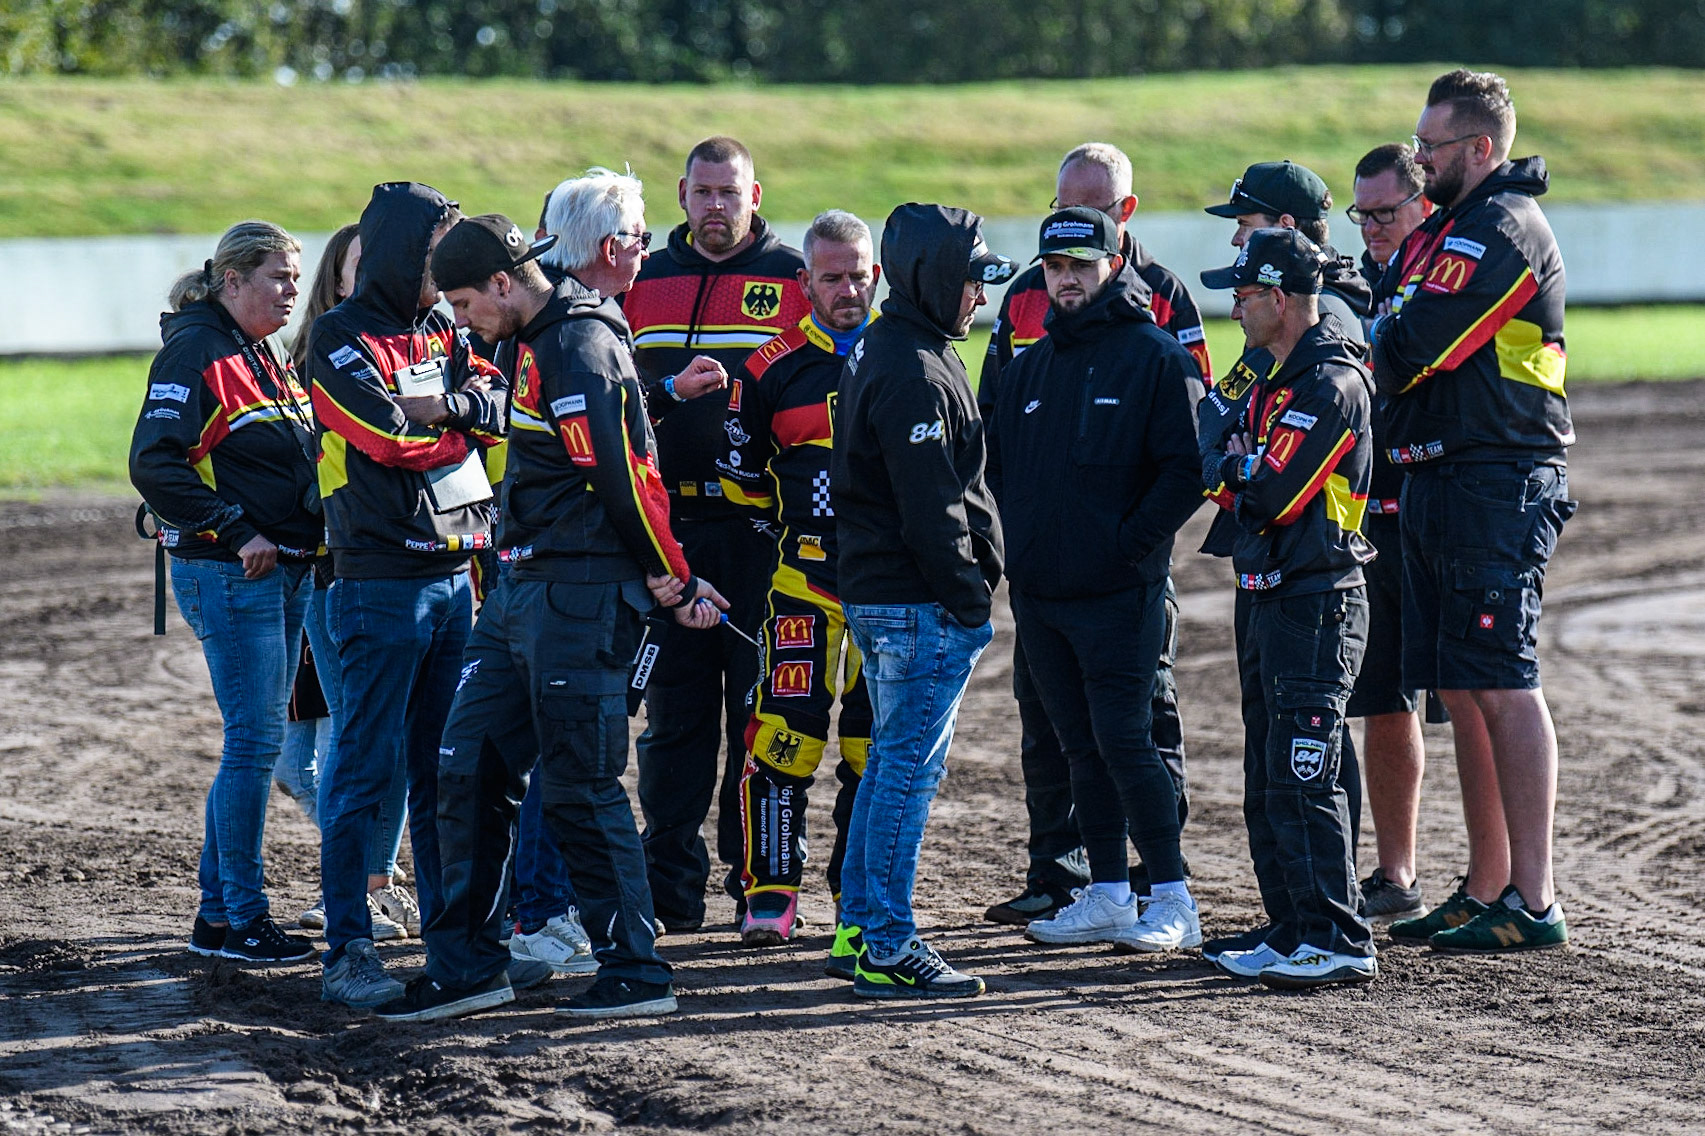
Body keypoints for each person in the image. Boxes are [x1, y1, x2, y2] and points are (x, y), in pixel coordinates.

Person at [375, 189, 727, 1023]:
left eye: (463, 305)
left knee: (578, 785)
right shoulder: (541, 339)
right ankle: (468, 967)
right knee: (465, 766)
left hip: (578, 597)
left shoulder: (573, 345)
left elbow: (626, 476)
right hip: (521, 592)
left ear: (503, 283)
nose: (460, 324)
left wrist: (668, 576)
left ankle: (635, 973)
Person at [979, 142, 1209, 927]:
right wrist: (1023, 554)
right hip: (1043, 594)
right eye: (1054, 267)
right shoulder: (1029, 365)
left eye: (1081, 263)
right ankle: (1105, 893)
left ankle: (1169, 895)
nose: (1066, 279)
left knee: (1129, 742)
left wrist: (1127, 546)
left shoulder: (1153, 352)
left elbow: (1189, 468)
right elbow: (996, 463)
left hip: (1120, 591)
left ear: (1114, 260)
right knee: (1076, 746)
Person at [1372, 70, 1575, 954]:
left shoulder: (1500, 225)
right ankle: (1485, 885)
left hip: (1494, 479)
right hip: (1438, 478)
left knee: (1501, 678)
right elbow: (1392, 325)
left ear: (1479, 150)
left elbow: (1413, 343)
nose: (1418, 159)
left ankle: (1533, 900)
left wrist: (1367, 340)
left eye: (1431, 147)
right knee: (1458, 683)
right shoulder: (1449, 228)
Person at [306, 182, 509, 1008]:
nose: (447, 270)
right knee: (365, 768)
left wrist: (450, 409)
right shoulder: (335, 335)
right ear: (398, 252)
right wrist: (455, 417)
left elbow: (503, 404)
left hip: (452, 579)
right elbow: (387, 437)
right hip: (377, 584)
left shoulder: (441, 327)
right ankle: (347, 950)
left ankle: (448, 948)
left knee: (444, 771)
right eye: (434, 255)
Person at [622, 136, 810, 932]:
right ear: (681, 193)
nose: (716, 206)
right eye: (703, 191)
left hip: (760, 536)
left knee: (758, 715)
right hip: (666, 530)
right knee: (672, 722)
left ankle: (755, 880)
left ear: (755, 194)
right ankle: (670, 890)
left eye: (730, 192)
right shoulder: (643, 280)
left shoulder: (794, 278)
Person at [129, 220, 321, 965]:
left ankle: (219, 918)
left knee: (254, 742)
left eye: (295, 277)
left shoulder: (259, 352)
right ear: (232, 280)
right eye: (278, 276)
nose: (291, 290)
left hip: (279, 571)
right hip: (231, 570)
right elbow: (154, 463)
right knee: (253, 745)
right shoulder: (196, 350)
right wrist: (237, 531)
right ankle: (241, 918)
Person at [831, 203, 1010, 998]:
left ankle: (865, 927)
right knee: (904, 771)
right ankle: (887, 942)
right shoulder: (909, 365)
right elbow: (930, 507)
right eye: (972, 278)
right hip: (915, 603)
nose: (980, 295)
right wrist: (970, 601)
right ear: (936, 278)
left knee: (889, 767)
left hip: (890, 599)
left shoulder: (900, 346)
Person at [1198, 227, 1379, 989]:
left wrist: (1236, 465)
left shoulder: (1327, 385)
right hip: (1274, 594)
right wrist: (1234, 464)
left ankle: (1337, 938)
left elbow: (1268, 496)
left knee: (1305, 772)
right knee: (1273, 776)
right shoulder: (1277, 379)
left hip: (1318, 601)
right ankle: (1293, 927)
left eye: (1240, 296)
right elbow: (1213, 444)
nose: (1232, 310)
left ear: (1276, 297)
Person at [715, 209, 879, 948]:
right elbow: (744, 482)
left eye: (859, 274)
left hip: (889, 592)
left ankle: (861, 892)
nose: (848, 288)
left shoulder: (907, 355)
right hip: (803, 585)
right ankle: (770, 892)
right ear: (803, 281)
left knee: (874, 747)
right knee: (784, 736)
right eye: (832, 277)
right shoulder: (766, 367)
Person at [279, 223, 415, 941]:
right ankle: (358, 879)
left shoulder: (415, 345)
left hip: (373, 567)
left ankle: (374, 881)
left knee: (366, 738)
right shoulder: (305, 362)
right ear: (336, 280)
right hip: (321, 573)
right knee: (314, 745)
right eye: (360, 269)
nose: (372, 282)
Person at [1344, 143, 1437, 925]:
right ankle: (1395, 875)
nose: (1370, 227)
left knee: (1473, 695)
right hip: (1375, 514)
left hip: (1440, 508)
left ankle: (1496, 883)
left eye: (1383, 212)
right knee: (1382, 698)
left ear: (1422, 201)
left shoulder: (1444, 273)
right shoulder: (1362, 279)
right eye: (1361, 214)